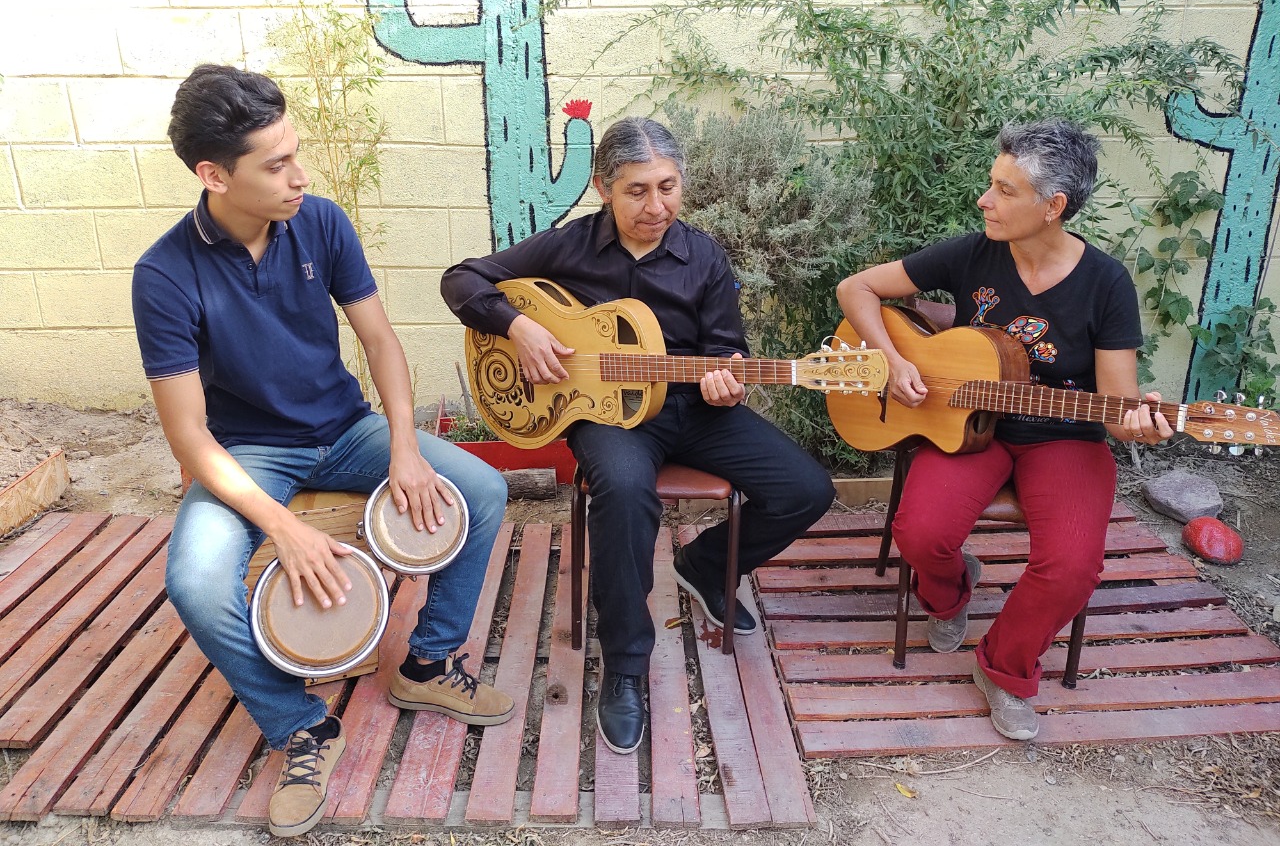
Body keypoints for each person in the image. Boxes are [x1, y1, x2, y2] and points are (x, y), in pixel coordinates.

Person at [131, 64, 514, 838]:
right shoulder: (164, 275)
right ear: (213, 174)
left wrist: (406, 447)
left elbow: (379, 339)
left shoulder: (322, 222)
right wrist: (281, 524)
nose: (299, 175)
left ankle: (427, 665)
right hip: (248, 455)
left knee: (480, 490)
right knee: (197, 582)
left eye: (295, 153)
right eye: (275, 165)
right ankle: (299, 725)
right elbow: (189, 436)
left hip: (348, 430)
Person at [441, 117, 834, 754]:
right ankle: (623, 665)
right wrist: (518, 327)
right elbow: (461, 279)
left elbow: (726, 347)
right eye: (638, 191)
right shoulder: (567, 247)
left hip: (696, 410)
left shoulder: (702, 255)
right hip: (606, 415)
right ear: (603, 186)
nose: (656, 207)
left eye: (668, 188)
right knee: (623, 493)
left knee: (807, 488)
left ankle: (705, 567)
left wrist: (726, 379)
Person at [836, 119, 1174, 741]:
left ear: (1054, 207)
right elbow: (856, 287)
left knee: (1072, 566)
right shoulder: (974, 252)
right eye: (991, 184)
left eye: (1004, 190)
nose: (984, 200)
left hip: (1066, 440)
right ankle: (954, 587)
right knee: (921, 533)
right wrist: (892, 359)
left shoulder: (1106, 283)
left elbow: (1120, 404)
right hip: (970, 428)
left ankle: (1004, 667)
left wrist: (1140, 426)